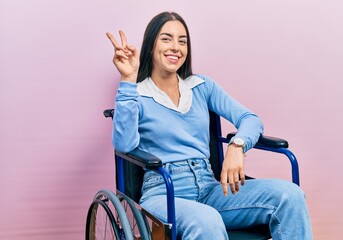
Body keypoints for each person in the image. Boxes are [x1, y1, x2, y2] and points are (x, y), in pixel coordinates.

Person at [106, 11, 313, 240]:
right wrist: (128, 79)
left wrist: (237, 146)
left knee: (290, 196)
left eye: (182, 41)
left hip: (210, 186)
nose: (176, 47)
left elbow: (250, 119)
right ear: (150, 46)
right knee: (207, 219)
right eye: (166, 39)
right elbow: (124, 144)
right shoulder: (137, 94)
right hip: (164, 192)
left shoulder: (202, 87)